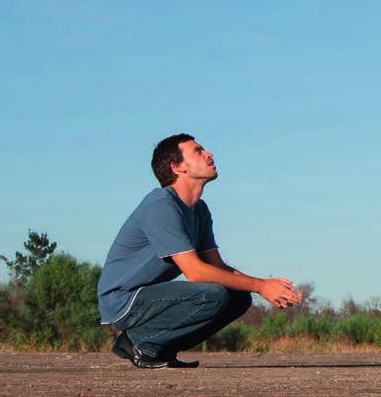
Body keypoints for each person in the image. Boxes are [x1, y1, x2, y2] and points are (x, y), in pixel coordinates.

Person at [97, 133, 303, 369]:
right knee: (211, 294)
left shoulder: (199, 210)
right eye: (198, 151)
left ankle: (161, 349)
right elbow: (195, 272)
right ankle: (137, 343)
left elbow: (217, 267)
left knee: (237, 298)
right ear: (177, 167)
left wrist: (265, 285)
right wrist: (261, 286)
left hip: (151, 296)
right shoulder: (161, 205)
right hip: (124, 300)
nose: (209, 154)